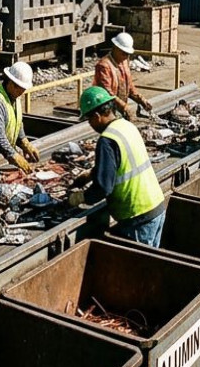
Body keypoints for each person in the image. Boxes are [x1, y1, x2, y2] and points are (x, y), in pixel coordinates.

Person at [68, 86, 166, 247]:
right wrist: (91, 174)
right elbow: (125, 163)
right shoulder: (127, 126)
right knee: (148, 266)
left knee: (135, 270)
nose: (90, 124)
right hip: (155, 208)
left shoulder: (106, 140)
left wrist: (79, 197)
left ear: (97, 116)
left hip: (137, 216)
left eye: (89, 119)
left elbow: (103, 188)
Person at [94, 32, 152, 120]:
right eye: (124, 53)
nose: (126, 56)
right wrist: (124, 107)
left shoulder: (124, 62)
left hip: (119, 108)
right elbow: (107, 93)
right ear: (115, 48)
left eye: (128, 54)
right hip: (105, 111)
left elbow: (129, 85)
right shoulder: (104, 66)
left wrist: (140, 99)